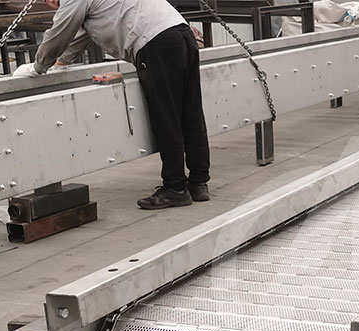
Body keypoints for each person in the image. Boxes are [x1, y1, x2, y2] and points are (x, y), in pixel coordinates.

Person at [14, 0, 211, 210]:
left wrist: (38, 66)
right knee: (191, 112)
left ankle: (175, 188)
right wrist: (60, 63)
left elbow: (61, 31)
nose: (53, 4)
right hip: (181, 33)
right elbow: (80, 34)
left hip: (156, 42)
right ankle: (198, 183)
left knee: (166, 117)